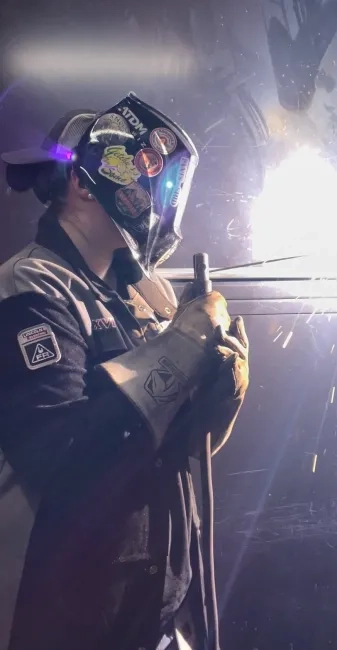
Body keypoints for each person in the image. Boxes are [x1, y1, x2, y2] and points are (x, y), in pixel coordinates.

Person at [0, 93, 249, 650]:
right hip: (65, 622)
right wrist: (181, 347)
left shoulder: (143, 294)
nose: (160, 196)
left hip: (150, 616)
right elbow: (65, 458)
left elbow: (164, 439)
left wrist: (215, 388)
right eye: (148, 176)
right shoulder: (28, 289)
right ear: (86, 184)